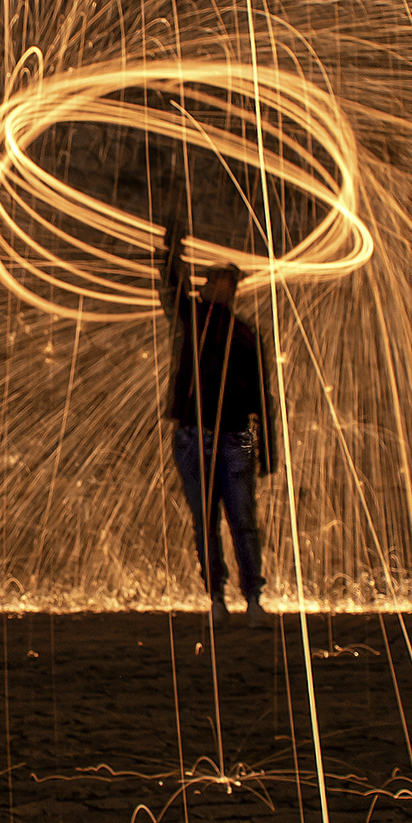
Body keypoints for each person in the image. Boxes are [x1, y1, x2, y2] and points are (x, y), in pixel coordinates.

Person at [156, 215, 277, 626]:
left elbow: (264, 398)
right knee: (206, 521)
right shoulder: (193, 318)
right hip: (195, 435)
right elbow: (170, 283)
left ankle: (253, 598)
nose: (221, 288)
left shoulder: (245, 336)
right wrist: (171, 246)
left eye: (227, 282)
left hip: (237, 436)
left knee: (242, 518)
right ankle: (218, 599)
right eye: (216, 281)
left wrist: (269, 454)